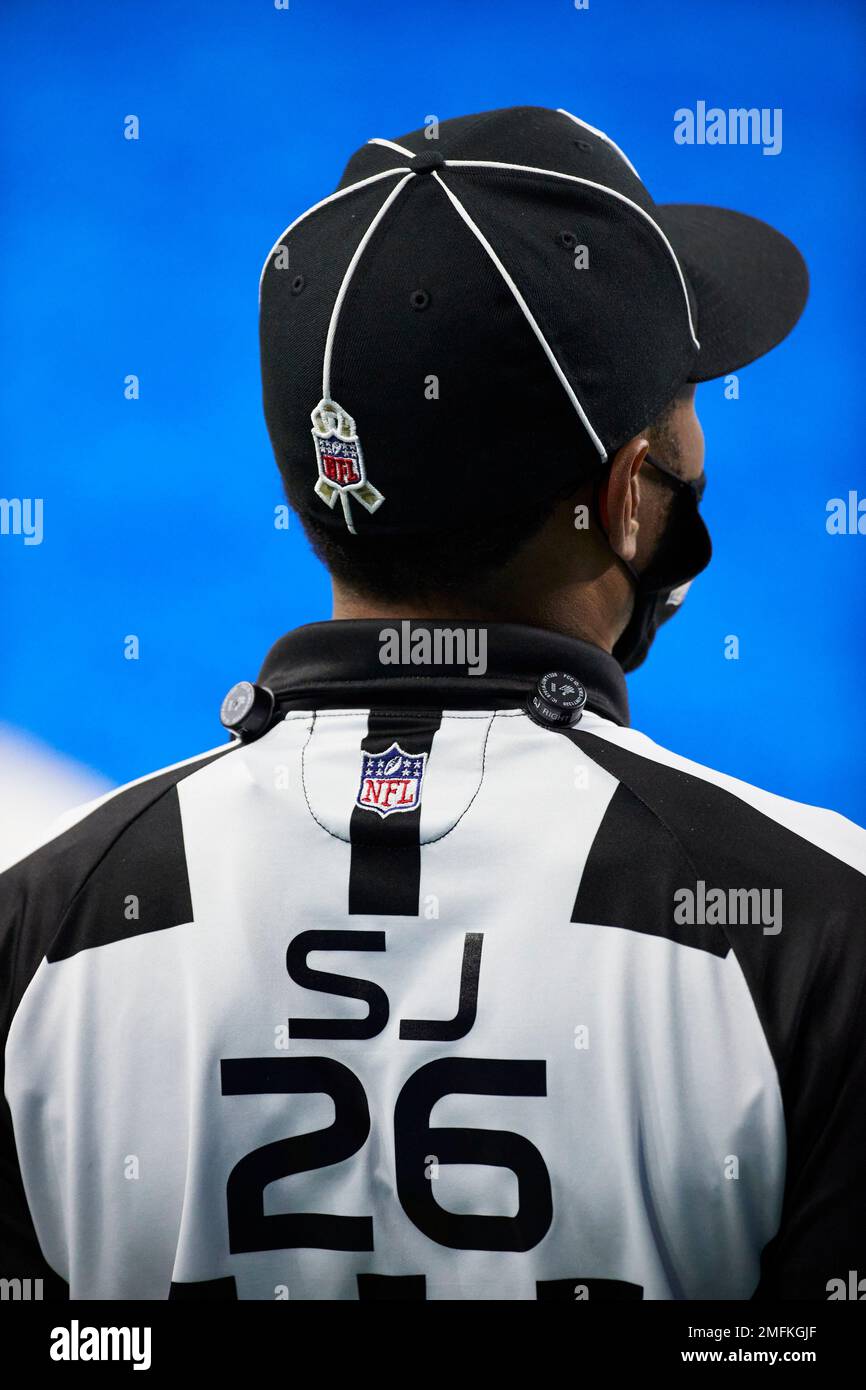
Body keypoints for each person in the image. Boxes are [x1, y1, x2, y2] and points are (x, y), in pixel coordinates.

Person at [2, 106, 863, 1302]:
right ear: (626, 499)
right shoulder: (815, 932)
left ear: (312, 486)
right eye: (683, 397)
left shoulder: (36, 934)